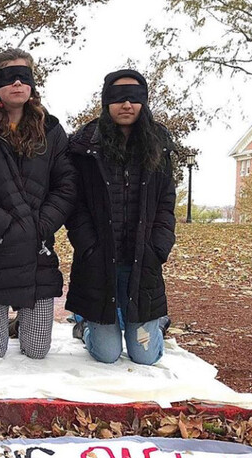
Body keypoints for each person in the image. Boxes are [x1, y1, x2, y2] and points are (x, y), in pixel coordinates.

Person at [0, 48, 77, 359]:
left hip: (38, 253)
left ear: (32, 85)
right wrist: (6, 226)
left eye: (25, 77)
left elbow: (66, 185)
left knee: (37, 351)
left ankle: (25, 324)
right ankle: (6, 325)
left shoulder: (52, 131)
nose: (18, 84)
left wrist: (42, 224)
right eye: (10, 77)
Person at [66, 69, 176, 365]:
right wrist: (88, 246)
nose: (126, 104)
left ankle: (153, 322)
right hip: (99, 262)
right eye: (118, 98)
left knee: (145, 355)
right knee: (107, 354)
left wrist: (158, 247)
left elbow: (166, 202)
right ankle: (85, 323)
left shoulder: (159, 145)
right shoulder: (84, 146)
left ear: (144, 102)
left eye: (134, 98)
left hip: (142, 262)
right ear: (105, 102)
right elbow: (74, 205)